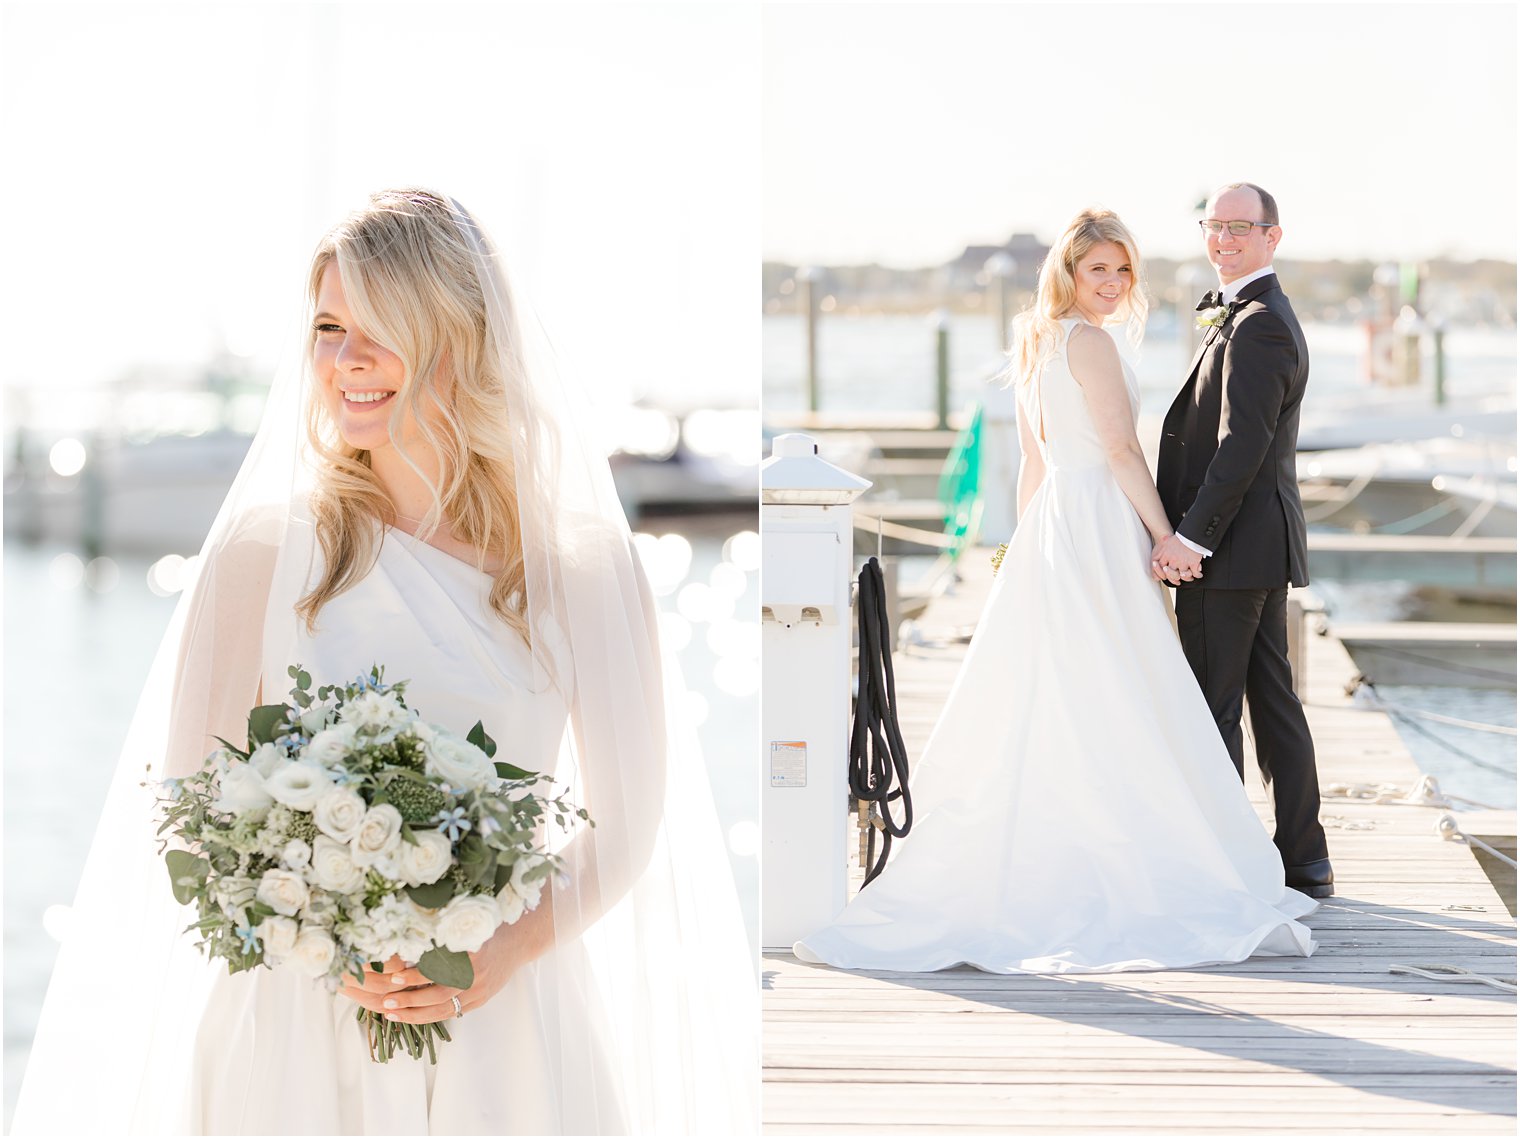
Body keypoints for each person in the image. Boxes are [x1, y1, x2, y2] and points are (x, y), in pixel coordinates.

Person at [13, 189, 756, 1134]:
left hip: (500, 1020)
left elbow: (626, 827)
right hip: (289, 1029)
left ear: (458, 338)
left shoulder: (578, 565)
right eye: (328, 326)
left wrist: (498, 949)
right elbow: (185, 808)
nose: (345, 360)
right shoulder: (260, 552)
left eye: (380, 328)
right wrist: (330, 918)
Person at [794, 208, 1318, 975]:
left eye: (1122, 270)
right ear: (1066, 274)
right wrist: (1168, 536)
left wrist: (1019, 543)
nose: (1112, 284)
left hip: (1054, 525)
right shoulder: (1092, 342)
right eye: (1097, 269)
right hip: (1099, 519)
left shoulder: (1034, 342)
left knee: (1063, 686)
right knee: (1121, 685)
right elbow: (1119, 450)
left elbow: (1033, 468)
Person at [1151, 183, 1332, 898]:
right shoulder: (1254, 315)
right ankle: (1302, 857)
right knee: (1271, 699)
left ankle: (1224, 863)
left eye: (1239, 226)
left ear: (1272, 236)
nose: (1223, 238)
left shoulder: (1259, 323)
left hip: (1229, 551)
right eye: (1213, 225)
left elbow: (1243, 444)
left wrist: (1191, 538)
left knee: (1212, 705)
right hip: (1258, 545)